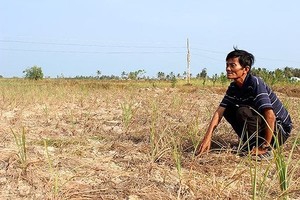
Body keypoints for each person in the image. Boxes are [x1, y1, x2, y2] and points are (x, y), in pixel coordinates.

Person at [195, 48, 293, 160]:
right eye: (227, 65)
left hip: (279, 131)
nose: (228, 69)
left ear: (245, 69)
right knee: (229, 109)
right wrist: (207, 138)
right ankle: (251, 144)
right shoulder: (233, 87)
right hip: (265, 125)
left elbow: (270, 116)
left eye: (232, 65)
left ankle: (264, 150)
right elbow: (219, 112)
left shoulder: (255, 83)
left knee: (243, 111)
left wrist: (265, 146)